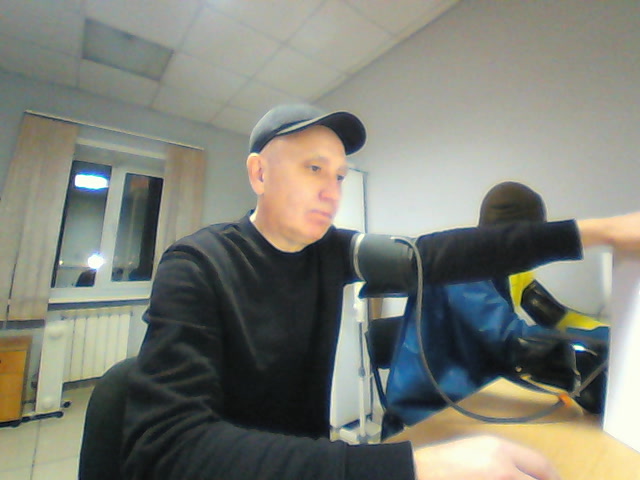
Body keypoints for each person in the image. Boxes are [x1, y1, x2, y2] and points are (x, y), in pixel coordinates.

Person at [122, 103, 640, 480]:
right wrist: (410, 465)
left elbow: (435, 255)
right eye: (314, 169)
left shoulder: (329, 251)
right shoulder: (196, 264)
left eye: (340, 176)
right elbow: (167, 448)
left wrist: (599, 233)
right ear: (259, 172)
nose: (332, 192)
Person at [384, 181, 609, 434]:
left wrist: (601, 337)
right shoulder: (462, 268)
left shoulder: (492, 268)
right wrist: (607, 341)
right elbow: (511, 340)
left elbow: (549, 314)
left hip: (465, 394)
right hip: (426, 414)